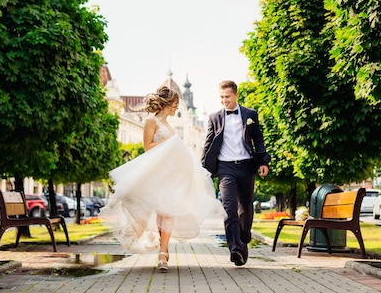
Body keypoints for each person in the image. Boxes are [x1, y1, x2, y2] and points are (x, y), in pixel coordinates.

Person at [101, 86, 225, 273]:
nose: (176, 108)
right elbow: (147, 147)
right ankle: (162, 248)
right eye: (175, 104)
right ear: (168, 103)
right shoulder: (151, 121)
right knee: (160, 213)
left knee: (168, 212)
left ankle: (163, 253)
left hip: (171, 176)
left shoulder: (169, 125)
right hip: (156, 176)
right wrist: (170, 143)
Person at [201, 80, 269, 267]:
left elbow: (258, 139)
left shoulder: (250, 114)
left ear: (236, 95)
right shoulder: (214, 117)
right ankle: (235, 248)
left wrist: (263, 162)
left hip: (246, 166)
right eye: (221, 97)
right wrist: (203, 168)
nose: (224, 101)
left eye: (227, 97)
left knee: (245, 208)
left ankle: (243, 239)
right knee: (229, 207)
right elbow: (208, 143)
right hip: (225, 168)